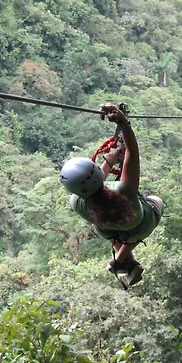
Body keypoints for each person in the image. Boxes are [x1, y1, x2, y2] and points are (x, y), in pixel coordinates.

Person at [59, 103, 164, 288]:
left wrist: (110, 160)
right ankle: (121, 258)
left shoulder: (77, 203)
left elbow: (93, 184)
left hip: (109, 231)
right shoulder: (125, 192)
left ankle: (126, 262)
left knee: (105, 228)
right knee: (155, 201)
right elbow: (132, 151)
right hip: (141, 227)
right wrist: (124, 123)